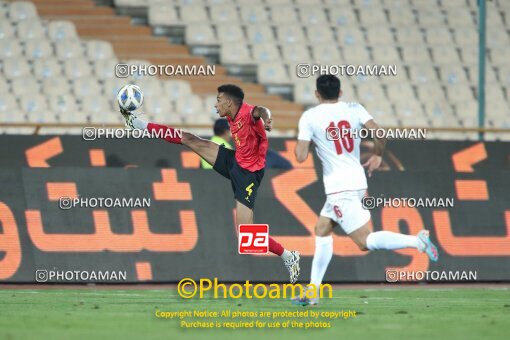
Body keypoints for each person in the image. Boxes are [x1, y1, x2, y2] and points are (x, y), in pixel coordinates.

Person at [120, 84, 300, 283]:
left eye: (219, 100)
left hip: (249, 175)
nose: (216, 105)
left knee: (246, 237)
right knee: (190, 139)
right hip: (234, 160)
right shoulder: (231, 115)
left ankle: (288, 256)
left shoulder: (249, 112)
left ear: (230, 103)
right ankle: (138, 124)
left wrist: (266, 118)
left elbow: (261, 111)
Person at [292, 75, 438, 305]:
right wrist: (378, 155)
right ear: (340, 93)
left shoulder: (309, 116)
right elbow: (380, 133)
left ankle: (417, 242)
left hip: (340, 189)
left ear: (316, 94)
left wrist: (309, 140)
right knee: (321, 229)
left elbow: (300, 156)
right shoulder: (354, 108)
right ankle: (313, 291)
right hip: (357, 182)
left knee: (364, 242)